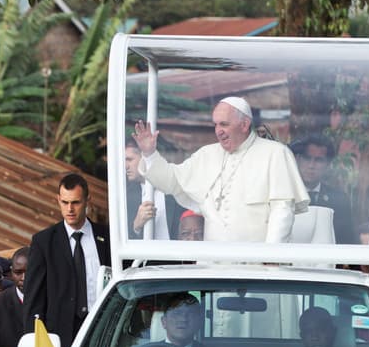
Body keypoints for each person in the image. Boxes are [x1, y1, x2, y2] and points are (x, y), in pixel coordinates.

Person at [131, 96, 309, 242]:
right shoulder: (207, 154)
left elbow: (282, 210)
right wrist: (150, 154)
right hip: (213, 266)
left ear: (244, 125)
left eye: (224, 124)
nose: (218, 131)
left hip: (257, 266)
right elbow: (172, 181)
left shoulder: (275, 153)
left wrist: (272, 257)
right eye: (215, 125)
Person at [24, 173, 112, 347]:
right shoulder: (44, 242)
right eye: (64, 202)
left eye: (76, 203)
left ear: (88, 200)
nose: (70, 209)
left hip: (102, 332)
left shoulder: (107, 238)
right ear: (58, 200)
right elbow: (34, 302)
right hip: (60, 340)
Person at [291, 135, 359, 244]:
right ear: (298, 160)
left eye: (319, 160)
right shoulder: (285, 195)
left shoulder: (339, 200)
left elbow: (347, 241)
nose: (311, 165)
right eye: (307, 158)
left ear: (328, 165)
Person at [123, 141, 185, 239]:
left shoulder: (175, 188)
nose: (125, 166)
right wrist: (136, 226)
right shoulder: (126, 196)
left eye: (129, 160)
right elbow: (121, 241)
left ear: (145, 158)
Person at [128, 293, 207, 347]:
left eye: (190, 313)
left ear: (199, 322)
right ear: (164, 321)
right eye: (177, 313)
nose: (183, 319)